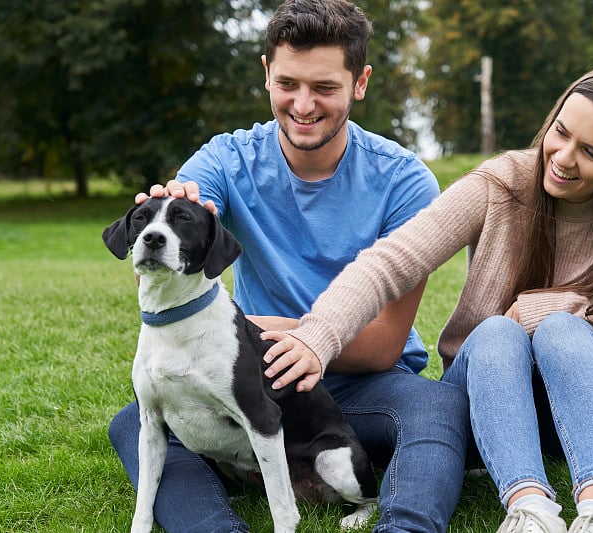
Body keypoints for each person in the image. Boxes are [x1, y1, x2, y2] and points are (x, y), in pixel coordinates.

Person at [266, 65, 593, 533]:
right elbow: (392, 261)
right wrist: (319, 334)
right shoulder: (501, 184)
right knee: (498, 329)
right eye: (560, 133)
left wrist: (561, 310)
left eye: (591, 152)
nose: (563, 158)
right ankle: (529, 509)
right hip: (489, 396)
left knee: (564, 328)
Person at [107, 1, 469, 532]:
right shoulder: (225, 160)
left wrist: (280, 332)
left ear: (359, 82)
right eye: (288, 84)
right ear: (267, 75)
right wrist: (164, 220)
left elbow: (383, 344)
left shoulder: (405, 183)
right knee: (130, 423)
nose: (303, 105)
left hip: (360, 384)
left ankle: (404, 525)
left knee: (437, 409)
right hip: (258, 380)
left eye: (324, 87)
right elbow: (176, 228)